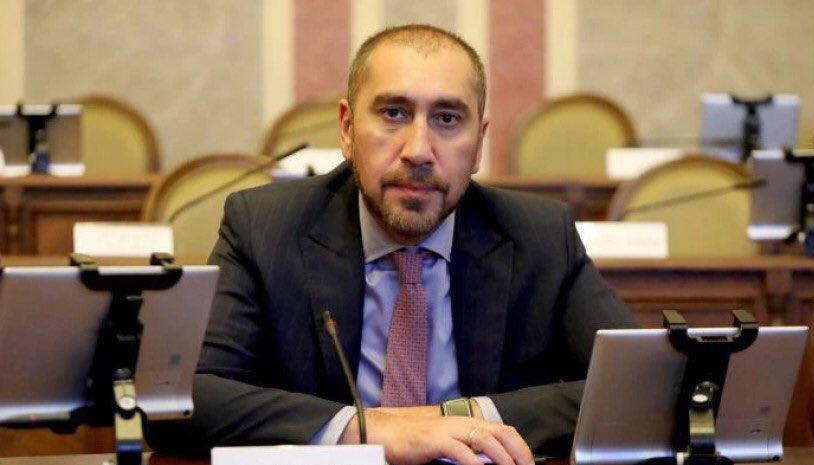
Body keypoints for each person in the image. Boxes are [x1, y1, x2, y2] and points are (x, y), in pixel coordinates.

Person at [147, 24, 636, 465]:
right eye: (394, 113)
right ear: (347, 129)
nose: (418, 151)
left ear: (479, 144)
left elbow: (637, 389)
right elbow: (180, 398)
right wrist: (369, 430)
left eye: (448, 119)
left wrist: (459, 420)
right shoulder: (266, 228)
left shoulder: (539, 236)